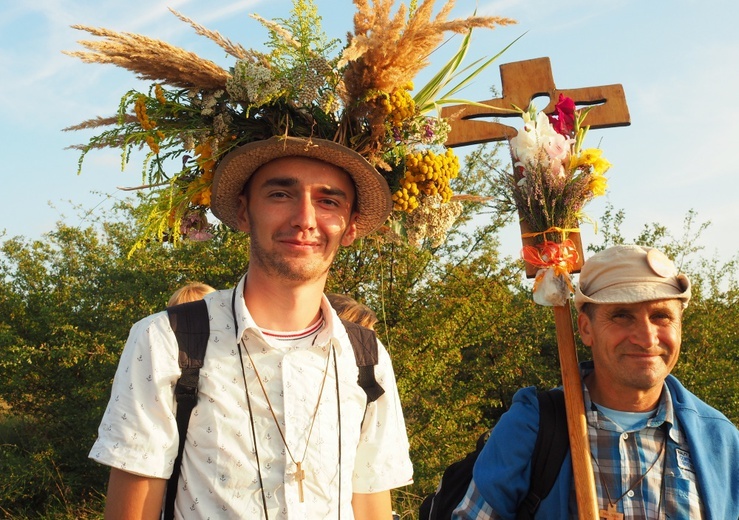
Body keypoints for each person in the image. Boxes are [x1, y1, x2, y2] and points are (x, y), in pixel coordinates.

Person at [89, 136, 413, 519]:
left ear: (352, 226)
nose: (305, 219)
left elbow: (372, 506)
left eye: (329, 201)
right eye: (280, 194)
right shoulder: (165, 342)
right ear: (244, 212)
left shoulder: (367, 357)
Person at [453, 244, 739, 519]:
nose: (647, 338)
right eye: (622, 316)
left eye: (661, 316)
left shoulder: (719, 441)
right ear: (586, 329)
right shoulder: (533, 427)